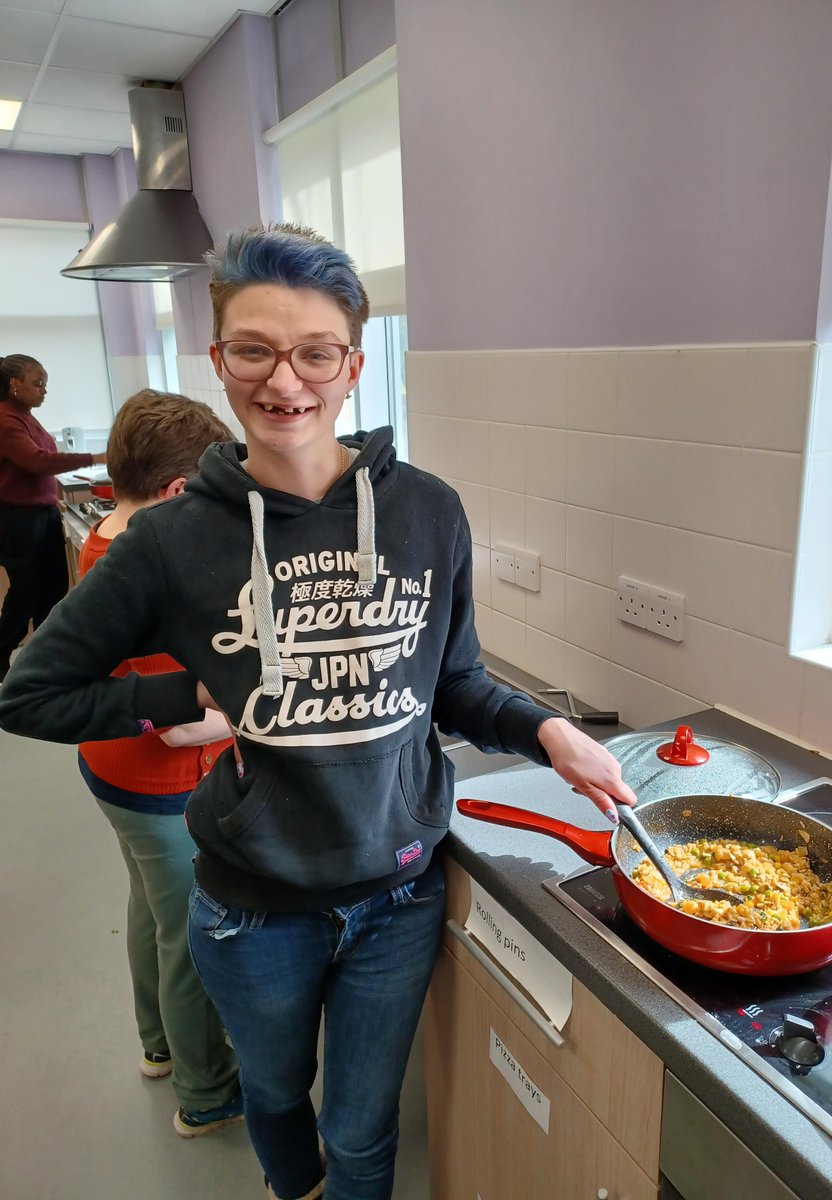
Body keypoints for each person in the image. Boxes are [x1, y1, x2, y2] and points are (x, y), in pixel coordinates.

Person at [0, 223, 638, 1200]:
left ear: (353, 364)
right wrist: (184, 694)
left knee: (366, 1124)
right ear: (219, 359)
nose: (284, 381)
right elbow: (28, 690)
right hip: (254, 910)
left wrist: (551, 736)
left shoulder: (429, 511)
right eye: (253, 349)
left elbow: (454, 682)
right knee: (277, 1094)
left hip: (399, 896)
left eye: (314, 352)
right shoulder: (171, 541)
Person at [76, 389, 242, 1137]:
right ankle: (205, 1092)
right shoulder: (147, 574)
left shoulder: (105, 537)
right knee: (192, 938)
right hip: (160, 782)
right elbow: (179, 730)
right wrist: (261, 713)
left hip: (111, 770)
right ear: (178, 491)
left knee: (150, 908)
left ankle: (158, 1047)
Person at [0, 354, 106, 680]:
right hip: (18, 520)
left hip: (41, 516)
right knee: (26, 592)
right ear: (15, 385)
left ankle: (44, 657)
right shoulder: (6, 420)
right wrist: (96, 457)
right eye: (38, 383)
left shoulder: (26, 416)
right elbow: (38, 461)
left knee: (55, 587)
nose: (44, 390)